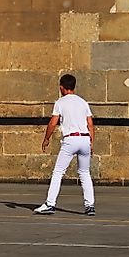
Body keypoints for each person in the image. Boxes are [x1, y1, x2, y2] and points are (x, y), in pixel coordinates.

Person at [34, 74, 95, 216]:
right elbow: (90, 125)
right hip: (85, 138)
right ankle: (90, 206)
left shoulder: (60, 103)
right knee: (85, 173)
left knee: (58, 172)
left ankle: (50, 204)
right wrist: (91, 142)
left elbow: (53, 123)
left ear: (62, 87)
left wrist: (46, 138)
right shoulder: (83, 102)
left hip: (70, 140)